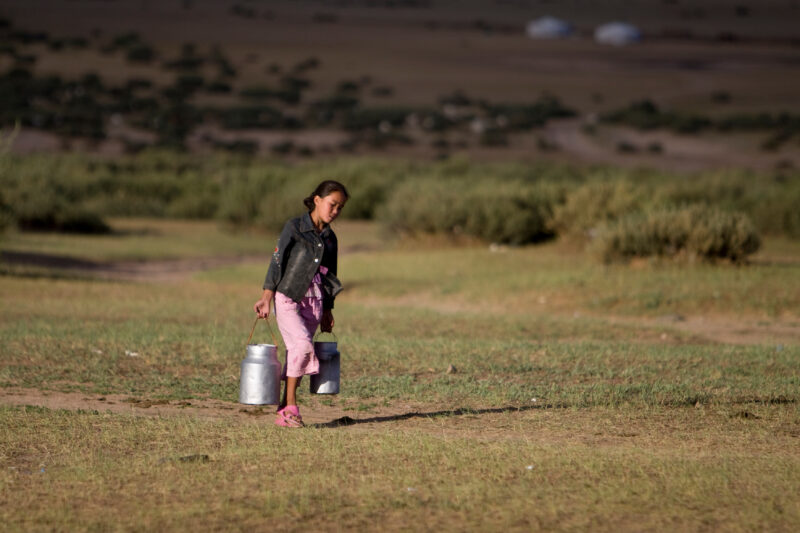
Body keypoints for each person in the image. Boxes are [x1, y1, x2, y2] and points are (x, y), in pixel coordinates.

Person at [253, 180, 348, 428]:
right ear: (317, 200)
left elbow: (331, 275)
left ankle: (285, 409)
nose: (335, 211)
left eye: (340, 208)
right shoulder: (294, 227)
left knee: (297, 350)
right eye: (332, 204)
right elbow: (277, 261)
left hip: (315, 302)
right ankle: (290, 406)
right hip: (287, 298)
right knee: (304, 346)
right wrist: (266, 296)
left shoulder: (330, 239)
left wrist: (328, 309)